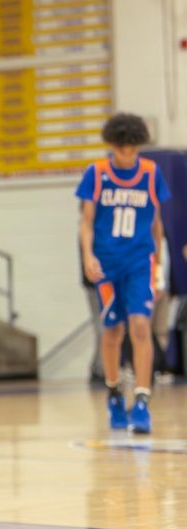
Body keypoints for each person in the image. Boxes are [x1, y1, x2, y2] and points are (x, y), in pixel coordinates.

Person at [76, 113, 170, 434]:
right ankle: (115, 394)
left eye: (133, 147)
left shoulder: (151, 173)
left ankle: (141, 402)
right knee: (113, 331)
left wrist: (157, 266)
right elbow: (86, 221)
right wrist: (88, 255)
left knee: (141, 327)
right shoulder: (97, 173)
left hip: (139, 262)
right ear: (112, 146)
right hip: (107, 262)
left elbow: (156, 223)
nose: (128, 153)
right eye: (122, 147)